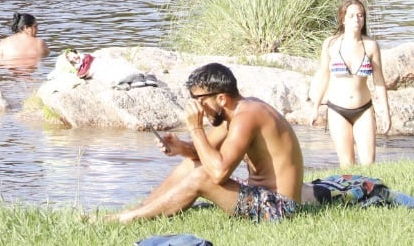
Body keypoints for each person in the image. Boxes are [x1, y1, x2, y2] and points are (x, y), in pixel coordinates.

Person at [110, 62, 304, 223]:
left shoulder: (247, 117)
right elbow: (205, 153)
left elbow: (218, 173)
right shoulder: (235, 112)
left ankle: (126, 219)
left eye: (199, 99)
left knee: (202, 175)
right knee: (192, 164)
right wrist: (182, 148)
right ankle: (142, 208)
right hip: (260, 194)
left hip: (280, 209)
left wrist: (196, 128)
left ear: (221, 98)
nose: (197, 107)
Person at [309, 0, 392, 167]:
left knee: (369, 164)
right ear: (343, 19)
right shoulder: (331, 44)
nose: (356, 19)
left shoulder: (371, 46)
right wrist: (315, 107)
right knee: (347, 164)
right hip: (337, 110)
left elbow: (379, 81)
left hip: (364, 109)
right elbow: (323, 76)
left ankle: (371, 193)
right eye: (352, 16)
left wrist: (386, 112)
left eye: (360, 16)